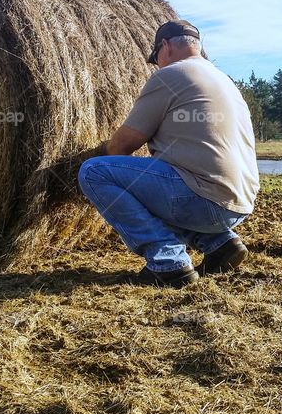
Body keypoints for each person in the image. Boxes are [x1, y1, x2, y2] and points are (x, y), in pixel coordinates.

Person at [77, 19, 260, 287]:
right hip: (239, 204)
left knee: (94, 172)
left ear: (165, 46)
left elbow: (121, 147)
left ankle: (168, 262)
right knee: (160, 175)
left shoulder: (171, 75)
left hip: (204, 201)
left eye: (156, 57)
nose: (157, 63)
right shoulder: (223, 79)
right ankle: (220, 243)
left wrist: (88, 152)